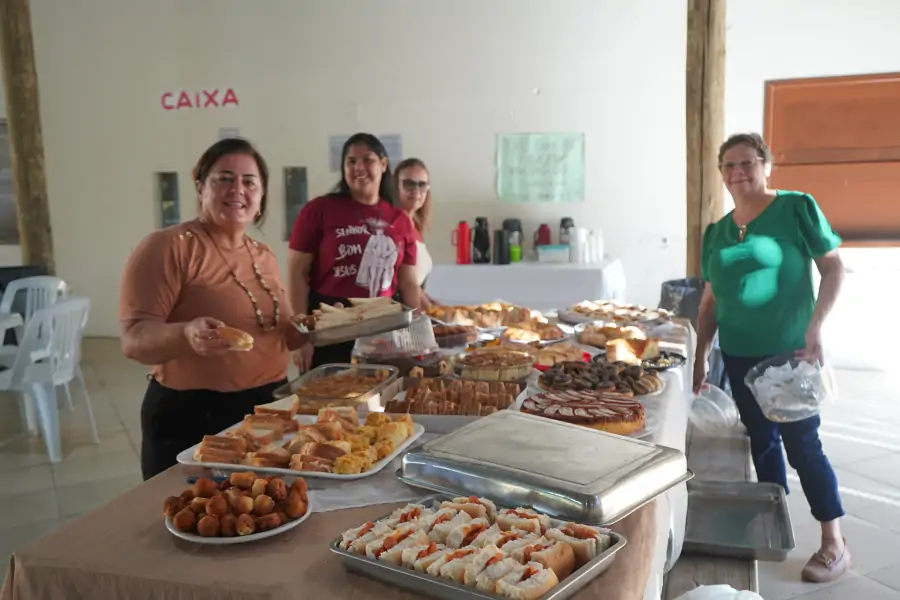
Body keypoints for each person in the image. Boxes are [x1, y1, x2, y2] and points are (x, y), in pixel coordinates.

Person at [694, 133, 849, 583]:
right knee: (760, 442)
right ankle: (772, 518)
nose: (738, 172)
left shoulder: (796, 207)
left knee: (803, 445)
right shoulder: (717, 232)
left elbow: (833, 266)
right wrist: (703, 354)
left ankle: (834, 542)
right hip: (739, 355)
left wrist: (816, 325)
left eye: (748, 162)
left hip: (789, 354)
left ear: (766, 165)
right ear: (721, 173)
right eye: (729, 165)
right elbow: (709, 302)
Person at [119, 138, 307, 480]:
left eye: (249, 182)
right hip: (195, 416)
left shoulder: (262, 254)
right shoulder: (168, 247)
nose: (237, 189)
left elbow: (279, 333)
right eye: (224, 178)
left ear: (261, 195)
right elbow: (133, 338)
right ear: (200, 187)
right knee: (199, 519)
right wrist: (186, 334)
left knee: (262, 516)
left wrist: (310, 329)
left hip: (269, 409)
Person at [287, 133, 420, 372]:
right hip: (330, 327)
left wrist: (418, 336)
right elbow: (296, 273)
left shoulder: (400, 220)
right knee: (330, 403)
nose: (359, 167)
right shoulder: (319, 210)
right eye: (351, 161)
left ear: (383, 164)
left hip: (384, 329)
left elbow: (409, 284)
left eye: (367, 159)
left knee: (382, 403)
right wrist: (302, 338)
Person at [394, 157, 440, 307]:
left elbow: (416, 284)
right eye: (409, 184)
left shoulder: (415, 226)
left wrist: (433, 305)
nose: (416, 191)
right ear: (395, 187)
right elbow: (404, 284)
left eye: (422, 185)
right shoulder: (392, 227)